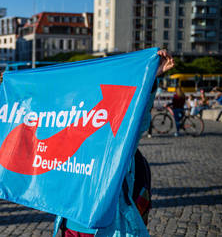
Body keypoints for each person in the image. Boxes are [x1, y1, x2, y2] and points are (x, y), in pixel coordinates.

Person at [59, 50, 175, 236]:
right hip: (73, 223)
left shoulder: (120, 134)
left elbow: (140, 117)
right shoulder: (70, 128)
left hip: (106, 226)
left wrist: (151, 76)